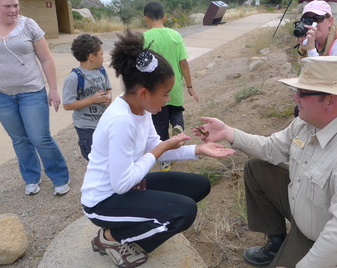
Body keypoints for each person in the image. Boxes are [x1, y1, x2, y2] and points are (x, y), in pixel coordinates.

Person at [194, 56, 337, 268]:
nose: (295, 98)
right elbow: (271, 148)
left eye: (303, 93)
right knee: (257, 168)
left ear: (330, 101)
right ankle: (277, 245)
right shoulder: (306, 124)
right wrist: (228, 132)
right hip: (306, 219)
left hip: (336, 252)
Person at [80, 29, 235, 268]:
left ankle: (133, 228)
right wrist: (157, 151)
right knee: (184, 212)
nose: (167, 101)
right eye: (165, 95)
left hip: (128, 188)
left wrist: (199, 150)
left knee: (198, 186)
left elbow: (158, 148)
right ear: (144, 92)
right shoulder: (121, 120)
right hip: (103, 202)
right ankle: (110, 238)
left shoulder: (140, 108)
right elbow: (124, 180)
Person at [0, 0, 70, 196]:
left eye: (16, 5)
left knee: (40, 137)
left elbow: (46, 58)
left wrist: (52, 89)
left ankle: (60, 177)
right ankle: (31, 178)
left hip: (31, 91)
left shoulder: (29, 25)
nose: (14, 10)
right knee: (20, 139)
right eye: (7, 6)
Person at [142, 1, 199, 171]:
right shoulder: (175, 36)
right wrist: (189, 86)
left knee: (159, 124)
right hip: (173, 86)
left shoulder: (144, 38)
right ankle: (178, 126)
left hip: (155, 90)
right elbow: (184, 63)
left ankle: (164, 162)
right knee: (176, 111)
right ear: (165, 17)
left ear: (146, 19)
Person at [62, 34, 113, 161]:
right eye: (101, 54)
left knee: (108, 155)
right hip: (86, 127)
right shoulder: (74, 78)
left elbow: (108, 88)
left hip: (104, 123)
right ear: (91, 56)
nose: (103, 57)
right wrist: (91, 100)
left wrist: (109, 97)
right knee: (93, 158)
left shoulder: (101, 70)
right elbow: (67, 105)